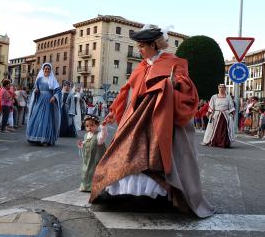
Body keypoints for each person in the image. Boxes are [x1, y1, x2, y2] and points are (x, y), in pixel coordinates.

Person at [89, 25, 215, 218]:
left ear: (154, 45)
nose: (139, 50)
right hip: (137, 120)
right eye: (138, 46)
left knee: (164, 157)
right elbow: (127, 91)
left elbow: (186, 88)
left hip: (164, 121)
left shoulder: (174, 63)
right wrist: (115, 111)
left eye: (142, 46)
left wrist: (171, 84)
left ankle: (163, 196)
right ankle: (130, 194)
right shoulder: (141, 67)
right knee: (127, 152)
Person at [26, 63, 62, 145]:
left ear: (50, 70)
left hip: (49, 101)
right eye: (45, 69)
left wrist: (54, 97)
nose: (47, 70)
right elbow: (36, 89)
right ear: (43, 70)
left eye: (48, 69)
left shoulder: (53, 80)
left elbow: (58, 91)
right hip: (40, 100)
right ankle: (35, 137)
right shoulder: (39, 79)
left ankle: (46, 139)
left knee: (47, 118)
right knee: (37, 117)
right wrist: (36, 92)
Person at [77, 115, 107, 192]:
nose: (89, 127)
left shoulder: (98, 135)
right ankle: (85, 186)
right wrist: (82, 144)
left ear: (97, 125)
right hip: (87, 158)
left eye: (92, 125)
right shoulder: (86, 135)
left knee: (94, 172)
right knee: (86, 171)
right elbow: (86, 142)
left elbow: (103, 137)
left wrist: (103, 128)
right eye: (87, 126)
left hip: (96, 158)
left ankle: (94, 186)